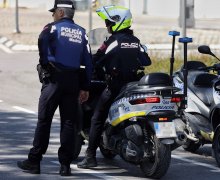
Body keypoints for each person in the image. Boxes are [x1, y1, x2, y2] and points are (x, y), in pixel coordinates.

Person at [17, 0, 92, 176]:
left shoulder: (52, 28)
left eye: (54, 12)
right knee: (68, 123)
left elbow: (42, 39)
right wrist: (85, 86)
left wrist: (45, 63)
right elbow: (88, 61)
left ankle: (34, 161)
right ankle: (65, 166)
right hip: (73, 81)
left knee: (44, 121)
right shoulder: (82, 33)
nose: (52, 15)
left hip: (54, 80)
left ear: (60, 13)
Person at [77, 5, 151, 169]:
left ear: (117, 22)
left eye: (108, 21)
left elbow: (96, 59)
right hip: (134, 86)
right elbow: (146, 61)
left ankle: (90, 157)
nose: (106, 25)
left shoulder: (113, 42)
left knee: (97, 118)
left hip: (116, 86)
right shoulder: (135, 41)